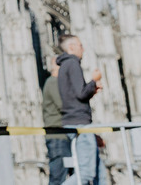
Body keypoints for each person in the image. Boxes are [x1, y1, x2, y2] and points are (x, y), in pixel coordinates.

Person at [57, 35, 110, 185]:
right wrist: (94, 80)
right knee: (85, 174)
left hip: (76, 122)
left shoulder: (65, 66)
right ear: (71, 47)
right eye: (80, 45)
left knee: (100, 174)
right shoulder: (72, 63)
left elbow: (75, 95)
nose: (83, 48)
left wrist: (92, 90)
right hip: (79, 123)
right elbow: (81, 93)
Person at [43, 57, 69, 185]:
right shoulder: (53, 82)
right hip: (58, 137)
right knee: (58, 177)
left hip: (62, 136)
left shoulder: (56, 83)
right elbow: (63, 106)